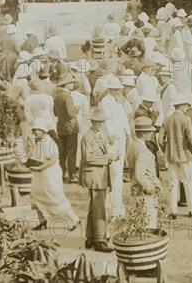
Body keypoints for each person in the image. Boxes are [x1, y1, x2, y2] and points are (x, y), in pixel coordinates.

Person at [27, 118, 80, 231]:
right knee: (36, 196)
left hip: (50, 174)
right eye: (34, 129)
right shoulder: (39, 141)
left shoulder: (48, 142)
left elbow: (53, 160)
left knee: (55, 197)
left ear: (44, 130)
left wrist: (39, 167)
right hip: (40, 175)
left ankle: (74, 219)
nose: (36, 132)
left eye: (38, 130)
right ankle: (42, 220)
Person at [79, 109, 117, 253]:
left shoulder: (98, 135)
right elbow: (88, 158)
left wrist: (111, 156)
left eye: (102, 121)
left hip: (98, 175)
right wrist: (108, 158)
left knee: (94, 207)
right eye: (97, 121)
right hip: (95, 177)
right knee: (99, 208)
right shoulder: (87, 137)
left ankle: (90, 237)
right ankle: (100, 241)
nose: (100, 124)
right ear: (92, 121)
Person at [159, 94, 192, 218]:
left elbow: (161, 139)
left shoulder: (167, 120)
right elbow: (191, 138)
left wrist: (166, 150)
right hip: (185, 155)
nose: (187, 107)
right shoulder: (185, 119)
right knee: (189, 181)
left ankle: (173, 211)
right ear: (181, 105)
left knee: (173, 183)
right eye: (186, 105)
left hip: (171, 155)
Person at [99, 76, 131, 220]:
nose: (117, 91)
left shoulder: (118, 101)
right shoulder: (105, 102)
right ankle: (113, 207)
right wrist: (111, 134)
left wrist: (128, 133)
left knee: (118, 172)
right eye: (115, 89)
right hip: (113, 139)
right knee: (115, 172)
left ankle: (117, 206)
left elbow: (124, 117)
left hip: (121, 137)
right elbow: (105, 120)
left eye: (118, 89)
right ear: (110, 89)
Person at [127, 117, 162, 228]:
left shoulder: (132, 145)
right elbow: (140, 175)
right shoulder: (142, 149)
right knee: (149, 223)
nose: (152, 133)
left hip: (135, 189)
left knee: (138, 220)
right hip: (145, 191)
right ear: (142, 133)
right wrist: (150, 188)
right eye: (149, 131)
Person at [53, 74, 80, 183]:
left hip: (61, 127)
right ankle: (72, 175)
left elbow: (55, 113)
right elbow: (71, 113)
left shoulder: (57, 96)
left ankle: (61, 174)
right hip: (71, 127)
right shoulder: (68, 97)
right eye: (71, 82)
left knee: (62, 153)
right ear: (67, 84)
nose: (73, 84)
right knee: (72, 152)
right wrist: (76, 110)